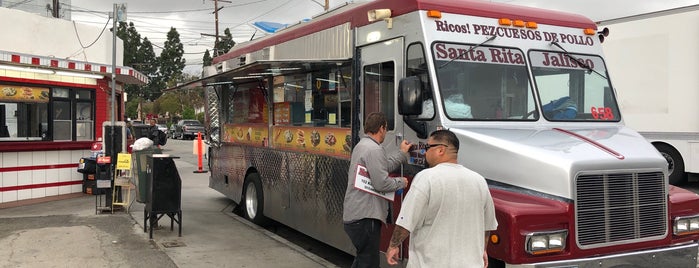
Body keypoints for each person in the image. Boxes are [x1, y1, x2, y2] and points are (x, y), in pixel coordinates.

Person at [386, 129, 498, 267]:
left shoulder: (426, 178)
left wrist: (393, 245)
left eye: (427, 147)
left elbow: (406, 221)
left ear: (440, 150)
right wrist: (483, 249)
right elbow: (487, 225)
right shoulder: (479, 181)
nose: (425, 152)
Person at [343, 112, 412, 268]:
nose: (386, 133)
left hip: (355, 215)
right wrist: (400, 182)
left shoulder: (362, 146)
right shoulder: (374, 149)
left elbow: (382, 166)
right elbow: (381, 183)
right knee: (369, 262)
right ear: (381, 128)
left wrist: (402, 153)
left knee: (363, 259)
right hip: (365, 217)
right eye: (386, 129)